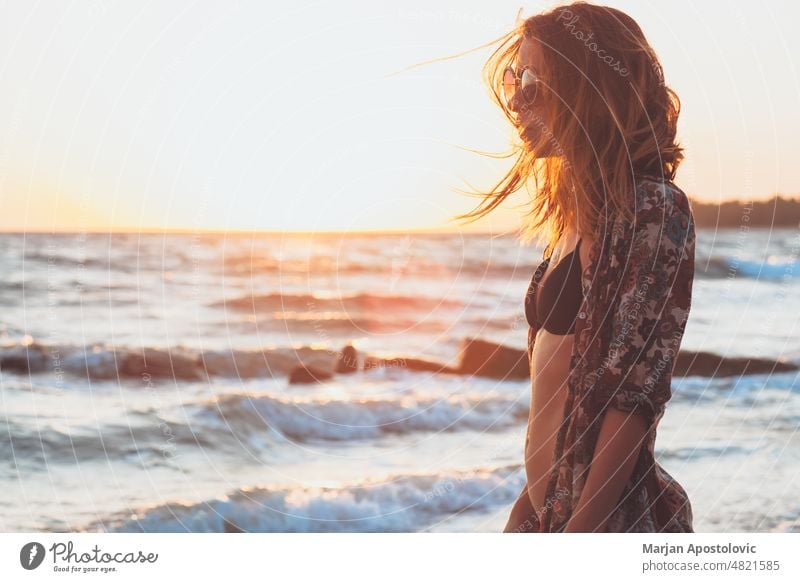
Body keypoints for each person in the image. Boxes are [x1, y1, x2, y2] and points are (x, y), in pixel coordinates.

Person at [455, 2, 696, 532]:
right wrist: (528, 508)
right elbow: (554, 387)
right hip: (552, 518)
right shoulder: (574, 218)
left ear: (588, 87)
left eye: (534, 80)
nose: (516, 98)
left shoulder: (654, 212)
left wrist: (579, 539)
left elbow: (633, 400)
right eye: (516, 77)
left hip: (609, 525)